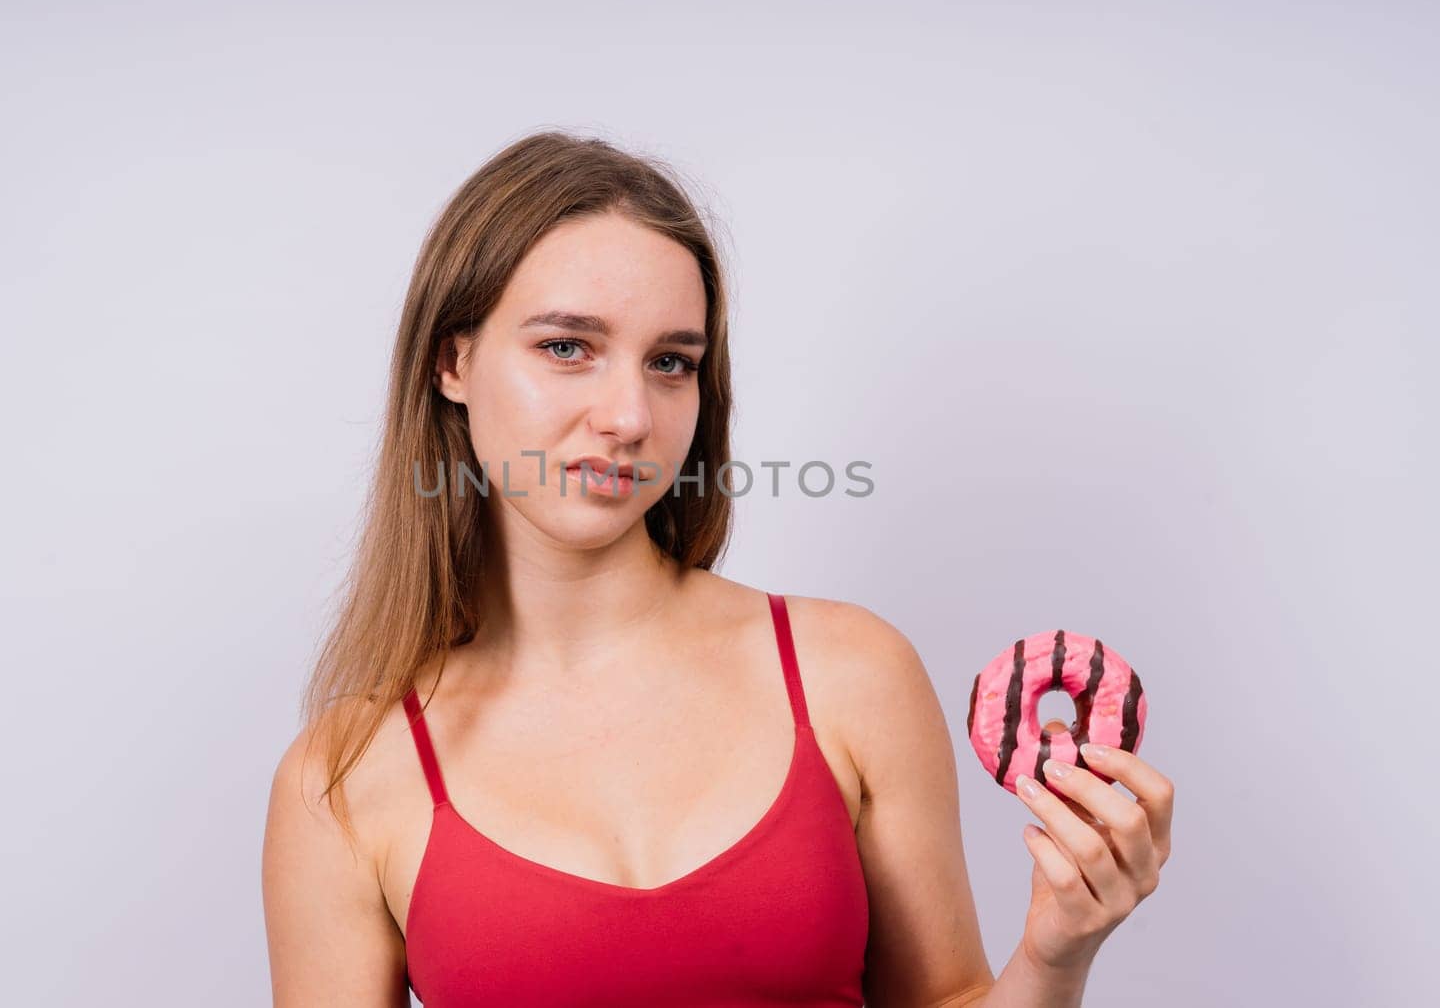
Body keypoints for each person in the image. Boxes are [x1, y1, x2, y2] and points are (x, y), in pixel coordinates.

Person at [261, 130, 1174, 1007]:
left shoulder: (849, 674)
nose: (627, 414)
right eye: (567, 347)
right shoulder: (342, 779)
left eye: (669, 362)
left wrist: (1055, 954)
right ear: (451, 361)